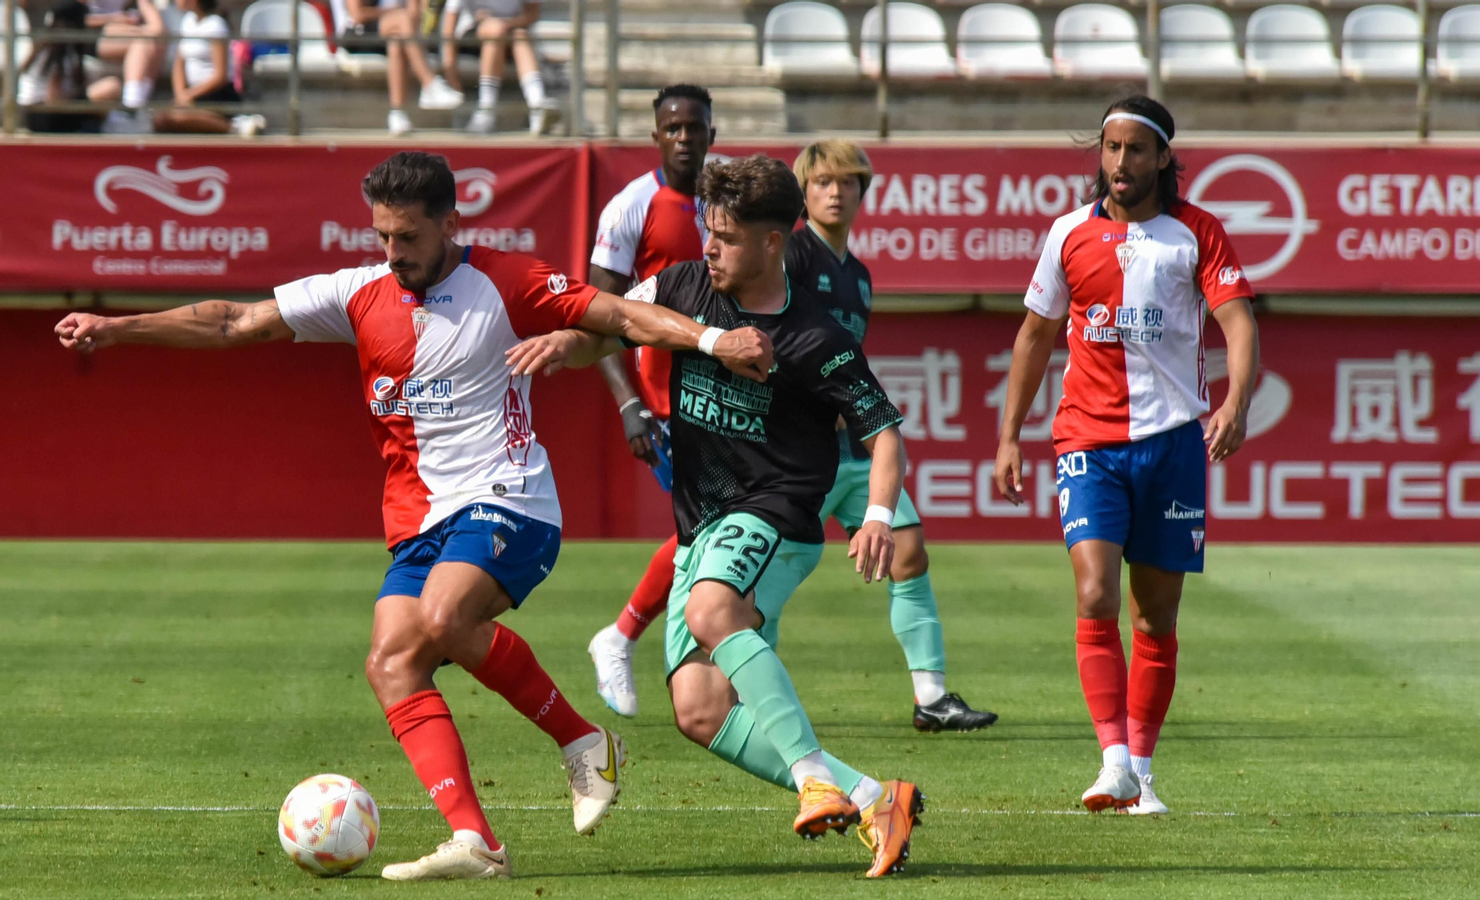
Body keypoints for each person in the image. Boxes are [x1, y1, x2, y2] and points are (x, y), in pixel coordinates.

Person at [54, 151, 773, 881]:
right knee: (392, 662)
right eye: (383, 237)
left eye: (408, 238)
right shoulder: (358, 291)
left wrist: (714, 340)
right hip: (419, 523)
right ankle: (476, 842)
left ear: (449, 224)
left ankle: (587, 744)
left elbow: (618, 313)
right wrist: (117, 327)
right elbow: (235, 321)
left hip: (509, 499)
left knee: (443, 617)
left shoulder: (507, 278)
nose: (393, 253)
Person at [513, 155, 924, 878]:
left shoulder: (816, 337)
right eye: (707, 231)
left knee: (710, 611)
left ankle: (813, 779)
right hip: (704, 521)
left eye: (727, 237)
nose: (709, 247)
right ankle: (872, 797)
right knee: (699, 710)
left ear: (773, 242)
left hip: (777, 515)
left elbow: (882, 429)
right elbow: (613, 326)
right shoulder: (681, 285)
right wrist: (566, 343)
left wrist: (880, 514)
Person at [993, 96, 1260, 816]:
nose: (1119, 163)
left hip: (1173, 443)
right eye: (1110, 149)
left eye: (1135, 150)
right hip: (1089, 440)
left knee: (1155, 617)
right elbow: (1033, 337)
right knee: (1093, 594)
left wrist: (1234, 402)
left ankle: (1142, 770)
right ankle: (1111, 760)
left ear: (1163, 158)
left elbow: (1238, 322)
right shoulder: (1068, 235)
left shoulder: (1195, 234)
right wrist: (1010, 434)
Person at [787, 139, 999, 733]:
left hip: (852, 452)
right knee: (764, 575)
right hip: (795, 454)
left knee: (907, 549)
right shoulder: (792, 257)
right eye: (823, 182)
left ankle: (931, 698)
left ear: (862, 193)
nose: (835, 192)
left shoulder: (859, 276)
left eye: (847, 183)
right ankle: (733, 689)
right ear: (804, 192)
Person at [584, 83, 716, 718]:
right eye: (673, 126)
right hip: (666, 400)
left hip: (731, 393)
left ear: (712, 134)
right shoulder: (630, 207)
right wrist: (628, 405)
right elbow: (599, 315)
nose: (685, 136)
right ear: (656, 135)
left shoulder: (728, 200)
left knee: (714, 528)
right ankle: (632, 640)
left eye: (695, 126)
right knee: (704, 528)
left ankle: (645, 643)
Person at [335, 0, 464, 135]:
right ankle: (429, 83)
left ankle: (397, 113)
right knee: (402, 19)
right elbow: (357, 15)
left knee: (396, 42)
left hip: (391, 31)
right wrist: (393, 12)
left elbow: (414, 15)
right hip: (358, 34)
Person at [151, 0, 264, 136]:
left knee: (179, 117)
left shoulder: (216, 25)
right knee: (160, 120)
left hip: (217, 94)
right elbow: (179, 63)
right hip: (193, 94)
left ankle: (233, 127)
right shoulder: (187, 21)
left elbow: (220, 75)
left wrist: (190, 94)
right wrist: (181, 94)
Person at [440, 0, 549, 134]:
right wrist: (451, 74)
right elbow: (450, 22)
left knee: (520, 35)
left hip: (510, 30)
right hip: (473, 35)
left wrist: (507, 23)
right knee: (495, 30)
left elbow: (533, 13)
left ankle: (537, 105)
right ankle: (486, 108)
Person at [19, 0, 110, 134]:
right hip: (42, 116)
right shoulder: (56, 50)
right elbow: (53, 101)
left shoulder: (44, 46)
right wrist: (82, 98)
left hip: (36, 114)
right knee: (110, 88)